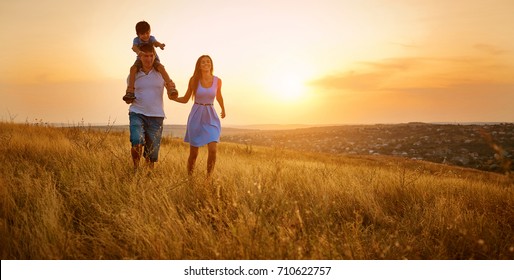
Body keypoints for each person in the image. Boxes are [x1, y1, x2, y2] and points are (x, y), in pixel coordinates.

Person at [172, 55, 226, 176]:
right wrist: (174, 98)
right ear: (199, 66)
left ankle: (208, 179)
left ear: (211, 64)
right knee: (194, 153)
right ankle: (189, 178)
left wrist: (223, 108)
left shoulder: (218, 81)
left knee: (213, 150)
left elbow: (219, 96)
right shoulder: (194, 80)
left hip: (211, 116)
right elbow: (186, 99)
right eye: (203, 62)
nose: (206, 64)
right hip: (196, 116)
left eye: (208, 62)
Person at [126, 43, 174, 170]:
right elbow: (128, 94)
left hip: (156, 116)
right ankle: (135, 170)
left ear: (155, 56)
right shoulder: (133, 74)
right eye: (146, 56)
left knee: (151, 154)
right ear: (140, 57)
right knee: (136, 141)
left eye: (151, 56)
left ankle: (148, 177)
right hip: (137, 112)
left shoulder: (161, 74)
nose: (149, 59)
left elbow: (171, 93)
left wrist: (173, 92)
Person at [123, 21, 178, 103]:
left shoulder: (151, 38)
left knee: (161, 68)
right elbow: (134, 47)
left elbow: (155, 43)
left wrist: (160, 45)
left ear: (150, 32)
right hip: (140, 58)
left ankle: (170, 87)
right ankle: (130, 91)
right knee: (133, 69)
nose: (145, 36)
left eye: (147, 33)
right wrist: (139, 52)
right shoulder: (136, 40)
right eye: (143, 34)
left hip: (154, 58)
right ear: (138, 34)